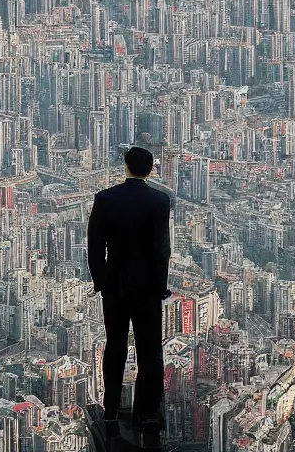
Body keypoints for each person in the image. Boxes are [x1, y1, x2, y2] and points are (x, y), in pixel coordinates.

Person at [88, 146, 171, 436]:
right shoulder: (159, 201)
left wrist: (102, 281)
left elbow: (95, 246)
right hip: (148, 288)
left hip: (116, 287)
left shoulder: (106, 199)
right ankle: (147, 414)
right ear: (150, 171)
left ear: (125, 166)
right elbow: (162, 250)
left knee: (115, 347)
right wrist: (161, 286)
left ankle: (110, 410)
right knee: (150, 352)